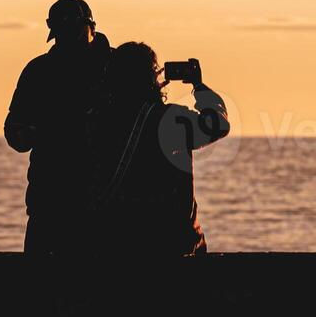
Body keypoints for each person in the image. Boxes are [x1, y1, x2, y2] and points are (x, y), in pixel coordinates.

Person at [88, 43, 229, 256]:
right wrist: (198, 85)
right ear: (151, 77)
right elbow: (218, 124)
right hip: (170, 243)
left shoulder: (96, 120)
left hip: (115, 242)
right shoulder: (171, 120)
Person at [4, 0, 112, 254]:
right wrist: (30, 135)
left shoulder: (116, 68)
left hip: (105, 203)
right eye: (63, 35)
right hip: (50, 202)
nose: (69, 42)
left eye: (74, 33)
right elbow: (13, 129)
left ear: (91, 28)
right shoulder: (39, 70)